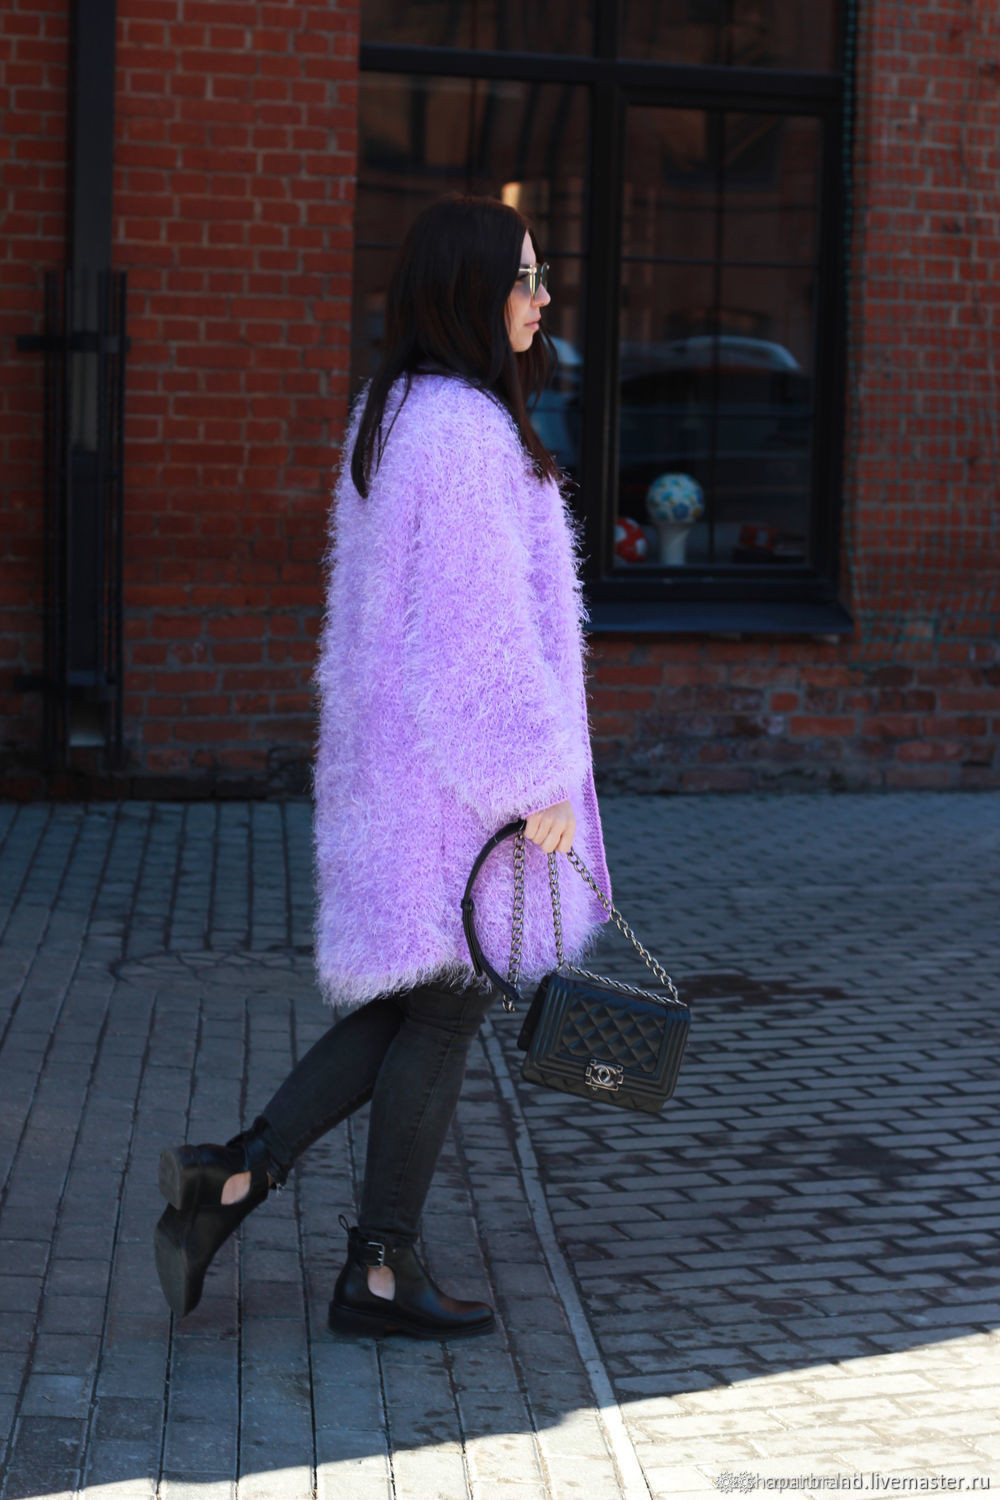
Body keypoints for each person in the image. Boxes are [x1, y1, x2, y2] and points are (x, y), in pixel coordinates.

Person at [153, 194, 612, 1341]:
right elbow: (474, 632)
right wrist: (537, 776)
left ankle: (232, 1179)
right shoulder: (460, 431)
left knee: (422, 999)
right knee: (446, 1010)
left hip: (404, 769)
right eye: (523, 277)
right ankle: (377, 1268)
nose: (541, 296)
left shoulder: (399, 411)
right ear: (468, 291)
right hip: (456, 780)